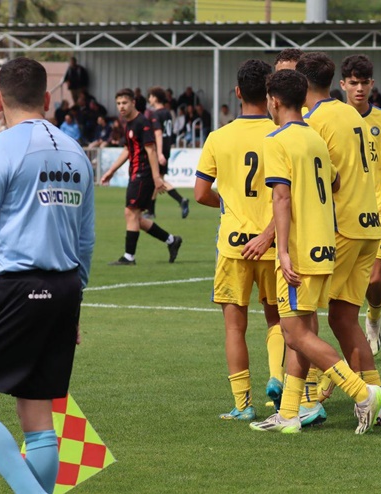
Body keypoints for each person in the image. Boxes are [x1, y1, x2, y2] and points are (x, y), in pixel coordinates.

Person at [0, 56, 95, 494]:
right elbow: (86, 241)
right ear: (48, 99)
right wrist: (74, 304)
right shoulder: (76, 152)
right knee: (37, 418)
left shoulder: (0, 147)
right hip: (65, 289)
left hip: (15, 290)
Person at [248, 69, 381, 434]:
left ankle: (363, 393)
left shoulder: (277, 139)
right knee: (303, 329)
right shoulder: (314, 138)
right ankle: (289, 414)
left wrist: (281, 252)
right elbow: (335, 181)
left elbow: (281, 197)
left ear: (274, 101)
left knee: (294, 333)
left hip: (301, 249)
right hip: (326, 245)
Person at [295, 52, 381, 427]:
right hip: (370, 226)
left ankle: (306, 401)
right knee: (343, 318)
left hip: (342, 228)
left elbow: (325, 179)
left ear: (302, 83)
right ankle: (379, 400)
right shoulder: (352, 115)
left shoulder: (314, 121)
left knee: (300, 319)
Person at [194, 60, 285, 421]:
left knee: (235, 327)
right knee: (278, 321)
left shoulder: (218, 137)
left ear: (237, 93)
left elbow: (201, 193)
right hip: (275, 243)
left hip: (233, 245)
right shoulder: (281, 134)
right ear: (270, 94)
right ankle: (277, 378)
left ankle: (243, 405)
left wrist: (227, 203)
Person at [339, 54, 381, 356]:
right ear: (343, 85)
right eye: (354, 83)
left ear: (372, 84)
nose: (359, 88)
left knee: (374, 280)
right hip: (340, 212)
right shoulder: (333, 118)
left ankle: (374, 316)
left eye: (364, 82)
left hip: (374, 212)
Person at [100, 88, 183, 266]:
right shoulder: (129, 123)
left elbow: (151, 150)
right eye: (118, 103)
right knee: (136, 218)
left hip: (143, 174)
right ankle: (171, 240)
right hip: (136, 173)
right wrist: (111, 171)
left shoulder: (142, 122)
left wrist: (156, 178)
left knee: (130, 212)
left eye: (124, 103)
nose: (121, 107)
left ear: (133, 103)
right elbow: (127, 150)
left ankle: (129, 257)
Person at [147, 86, 190, 219]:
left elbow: (158, 134)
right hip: (166, 148)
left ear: (155, 98)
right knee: (158, 179)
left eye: (150, 96)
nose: (149, 99)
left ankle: (180, 200)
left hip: (159, 150)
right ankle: (151, 211)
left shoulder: (156, 114)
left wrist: (159, 153)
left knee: (156, 179)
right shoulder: (167, 112)